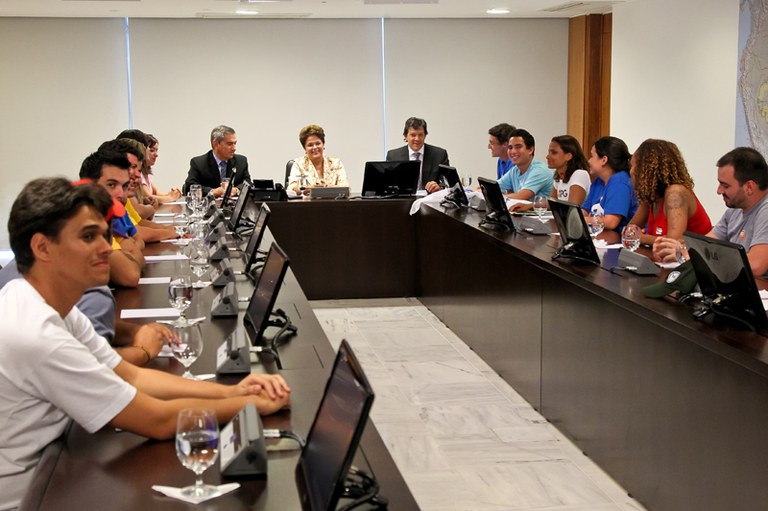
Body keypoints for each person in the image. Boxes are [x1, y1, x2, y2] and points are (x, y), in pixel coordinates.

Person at [0, 177, 290, 510]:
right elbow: (159, 420)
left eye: (103, 234)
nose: (107, 247)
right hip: (30, 496)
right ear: (42, 247)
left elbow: (131, 375)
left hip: (57, 465)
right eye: (88, 237)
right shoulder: (36, 333)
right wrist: (251, 405)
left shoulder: (48, 304)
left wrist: (236, 391)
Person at [654, 147, 768, 276]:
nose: (719, 191)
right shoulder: (734, 211)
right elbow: (704, 245)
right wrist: (677, 247)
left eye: (725, 186)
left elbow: (756, 265)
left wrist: (693, 255)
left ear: (749, 187)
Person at [79, 148, 145, 287]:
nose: (121, 194)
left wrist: (128, 255)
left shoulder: (109, 218)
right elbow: (130, 275)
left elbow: (138, 252)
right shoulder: (83, 221)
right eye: (111, 185)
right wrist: (127, 256)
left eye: (125, 186)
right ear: (89, 185)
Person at [627, 139, 712, 246]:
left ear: (645, 169)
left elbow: (673, 242)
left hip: (693, 260)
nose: (631, 171)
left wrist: (642, 238)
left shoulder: (675, 193)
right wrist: (638, 236)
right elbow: (629, 232)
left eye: (632, 166)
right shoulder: (651, 197)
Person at [582, 136, 639, 231]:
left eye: (592, 156)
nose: (589, 161)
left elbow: (611, 222)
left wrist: (579, 220)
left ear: (604, 160)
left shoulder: (620, 181)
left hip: (620, 240)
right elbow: (585, 210)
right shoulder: (598, 181)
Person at [184, 125, 251, 197]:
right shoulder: (198, 163)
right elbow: (189, 187)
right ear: (215, 144)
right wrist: (213, 191)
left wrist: (236, 190)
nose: (234, 148)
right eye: (230, 144)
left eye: (235, 143)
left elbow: (248, 183)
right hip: (208, 206)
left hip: (233, 206)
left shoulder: (241, 161)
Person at [386, 117, 449, 194]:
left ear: (425, 135)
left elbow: (447, 183)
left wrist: (440, 187)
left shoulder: (440, 154)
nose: (417, 139)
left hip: (430, 201)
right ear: (405, 136)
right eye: (413, 135)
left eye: (420, 135)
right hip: (404, 201)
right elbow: (388, 185)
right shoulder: (393, 156)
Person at [122, 131, 182, 204]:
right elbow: (148, 197)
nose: (156, 154)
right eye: (151, 150)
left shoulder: (143, 172)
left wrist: (171, 195)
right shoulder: (133, 176)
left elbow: (155, 192)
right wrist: (170, 197)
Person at [287, 124, 349, 195]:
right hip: (307, 205)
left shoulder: (336, 163)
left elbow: (346, 188)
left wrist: (331, 187)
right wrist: (305, 190)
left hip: (333, 204)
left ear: (323, 144)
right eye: (310, 145)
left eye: (318, 143)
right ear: (305, 148)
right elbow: (291, 189)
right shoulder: (298, 164)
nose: (315, 147)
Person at [496, 128, 553, 203]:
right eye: (510, 148)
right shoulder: (515, 170)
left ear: (530, 150)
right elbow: (495, 188)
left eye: (518, 147)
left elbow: (521, 196)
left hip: (541, 214)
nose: (513, 151)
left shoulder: (540, 170)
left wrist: (495, 196)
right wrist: (480, 191)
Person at [548, 135, 591, 205]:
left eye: (553, 153)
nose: (547, 157)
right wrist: (530, 205)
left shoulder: (580, 174)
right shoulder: (559, 176)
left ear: (568, 156)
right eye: (549, 152)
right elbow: (551, 204)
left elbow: (572, 208)